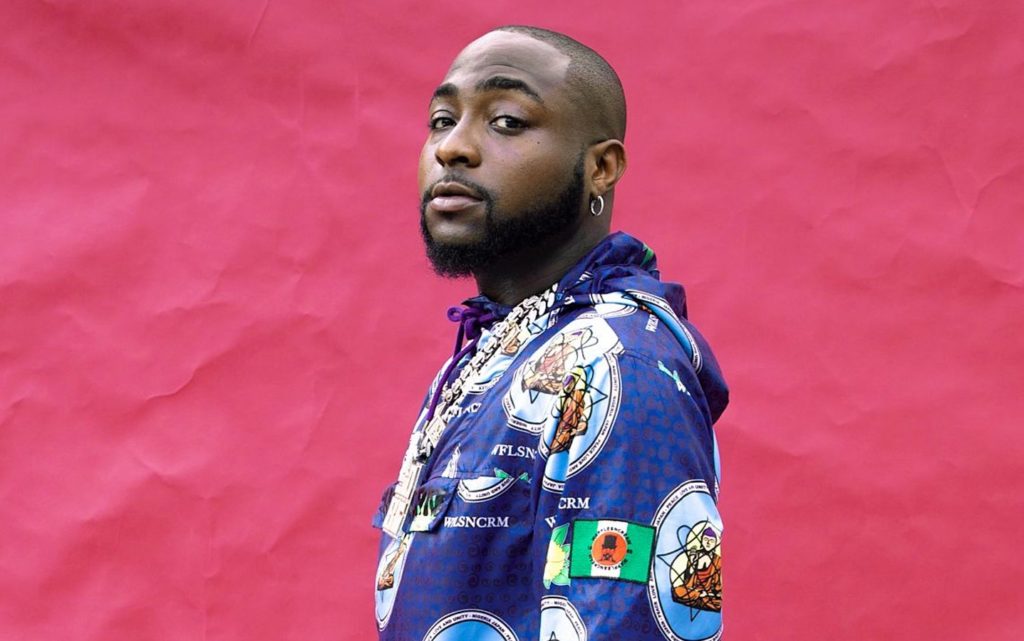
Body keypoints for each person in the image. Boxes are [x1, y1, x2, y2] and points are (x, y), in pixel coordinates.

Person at [372, 25, 729, 641]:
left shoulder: (618, 365)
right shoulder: (494, 348)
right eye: (441, 120)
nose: (453, 148)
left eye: (507, 121)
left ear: (601, 168)